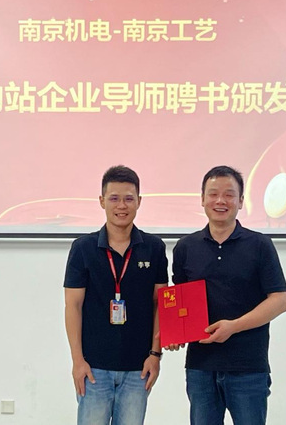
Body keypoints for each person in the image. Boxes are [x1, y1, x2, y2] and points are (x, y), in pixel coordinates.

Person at [169, 165, 286, 425]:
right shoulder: (185, 247)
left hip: (248, 367)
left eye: (229, 194)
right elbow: (179, 301)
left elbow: (280, 301)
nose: (220, 201)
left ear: (241, 201)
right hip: (201, 368)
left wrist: (234, 326)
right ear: (202, 199)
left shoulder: (260, 245)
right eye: (213, 194)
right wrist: (175, 333)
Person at [64, 165, 169, 425]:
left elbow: (160, 305)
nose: (122, 206)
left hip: (138, 369)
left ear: (139, 201)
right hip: (94, 369)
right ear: (102, 201)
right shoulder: (83, 248)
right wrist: (78, 361)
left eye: (129, 198)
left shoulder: (154, 248)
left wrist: (155, 356)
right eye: (114, 198)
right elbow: (73, 306)